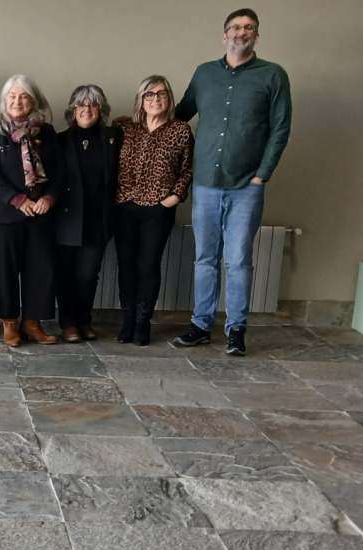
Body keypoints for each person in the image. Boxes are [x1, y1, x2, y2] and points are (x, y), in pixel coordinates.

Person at [171, 7, 292, 356]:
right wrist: (139, 126)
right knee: (204, 257)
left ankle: (236, 329)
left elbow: (280, 129)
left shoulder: (273, 75)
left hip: (246, 185)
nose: (242, 32)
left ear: (256, 35)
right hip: (206, 181)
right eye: (236, 27)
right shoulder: (204, 74)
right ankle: (200, 324)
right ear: (225, 35)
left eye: (249, 27)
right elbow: (180, 117)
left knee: (238, 259)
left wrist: (261, 176)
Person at [0, 74, 62, 348]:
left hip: (40, 215)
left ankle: (33, 323)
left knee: (40, 269)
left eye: (24, 96)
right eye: (12, 96)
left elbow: (61, 171)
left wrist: (48, 198)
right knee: (3, 270)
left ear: (34, 100)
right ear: (5, 101)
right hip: (4, 215)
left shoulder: (47, 132)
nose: (17, 101)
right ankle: (10, 324)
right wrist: (17, 199)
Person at [112, 76, 192, 346]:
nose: (155, 99)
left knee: (148, 266)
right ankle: (127, 321)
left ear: (169, 99)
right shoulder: (125, 129)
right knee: (126, 266)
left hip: (158, 209)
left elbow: (188, 169)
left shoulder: (180, 130)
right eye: (149, 94)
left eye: (161, 94)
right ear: (140, 100)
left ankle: (142, 323)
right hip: (125, 206)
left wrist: (174, 197)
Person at [54, 84, 121, 343]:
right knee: (66, 274)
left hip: (98, 219)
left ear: (101, 110)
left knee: (88, 275)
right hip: (66, 219)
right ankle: (69, 323)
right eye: (81, 104)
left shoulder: (113, 137)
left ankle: (84, 320)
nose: (87, 109)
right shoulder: (59, 140)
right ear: (73, 109)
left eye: (93, 104)